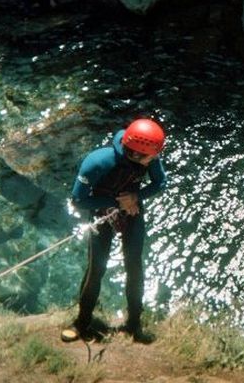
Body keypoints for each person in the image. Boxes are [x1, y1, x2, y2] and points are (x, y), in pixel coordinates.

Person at [62, 118, 167, 344]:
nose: (156, 157)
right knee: (96, 269)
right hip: (102, 212)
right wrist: (116, 202)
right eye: (153, 155)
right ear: (136, 154)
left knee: (134, 266)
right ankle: (81, 322)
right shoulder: (98, 162)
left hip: (132, 211)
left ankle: (134, 323)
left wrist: (136, 197)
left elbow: (161, 183)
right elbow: (78, 200)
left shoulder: (148, 156)